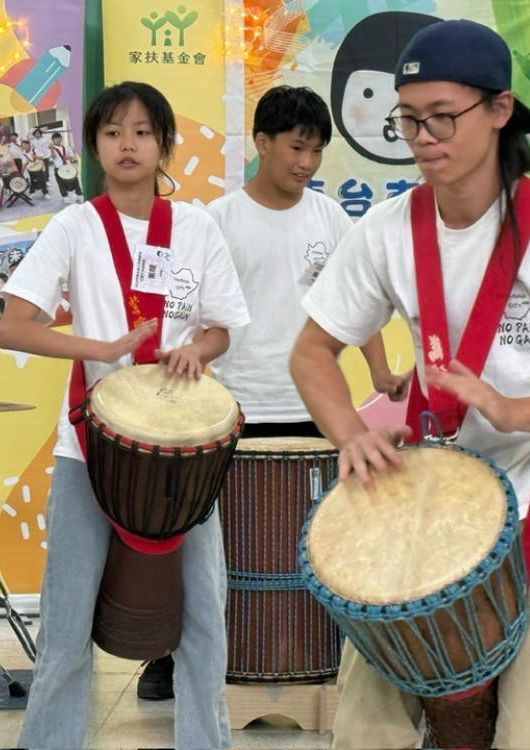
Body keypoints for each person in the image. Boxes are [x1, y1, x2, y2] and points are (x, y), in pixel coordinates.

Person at [290, 19, 530, 749]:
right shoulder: (385, 230)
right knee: (366, 729)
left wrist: (512, 408)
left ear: (499, 111)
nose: (423, 136)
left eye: (443, 116)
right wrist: (351, 433)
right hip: (424, 497)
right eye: (408, 119)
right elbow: (312, 351)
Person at [134, 84, 409, 702]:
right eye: (296, 147)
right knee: (208, 543)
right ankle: (171, 656)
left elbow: (355, 310)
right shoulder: (216, 221)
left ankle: (317, 654)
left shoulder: (331, 218)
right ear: (261, 143)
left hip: (316, 408)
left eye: (316, 151)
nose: (307, 162)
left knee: (320, 543)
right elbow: (194, 314)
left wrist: (381, 373)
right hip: (232, 405)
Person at [0, 80, 250, 749]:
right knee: (67, 625)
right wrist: (102, 348)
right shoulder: (74, 226)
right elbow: (15, 327)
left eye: (142, 131)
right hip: (89, 446)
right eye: (112, 132)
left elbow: (220, 326)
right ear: (93, 147)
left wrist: (197, 348)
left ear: (164, 144)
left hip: (182, 453)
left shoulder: (195, 228)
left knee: (203, 621)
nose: (128, 144)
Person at [49, 132, 83, 203]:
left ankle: (79, 195)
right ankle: (65, 196)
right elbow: (53, 157)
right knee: (61, 183)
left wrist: (68, 157)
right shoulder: (52, 149)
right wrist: (52, 149)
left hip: (68, 167)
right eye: (56, 138)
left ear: (61, 138)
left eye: (59, 138)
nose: (58, 139)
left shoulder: (67, 148)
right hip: (59, 168)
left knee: (75, 181)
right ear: (53, 140)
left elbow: (72, 158)